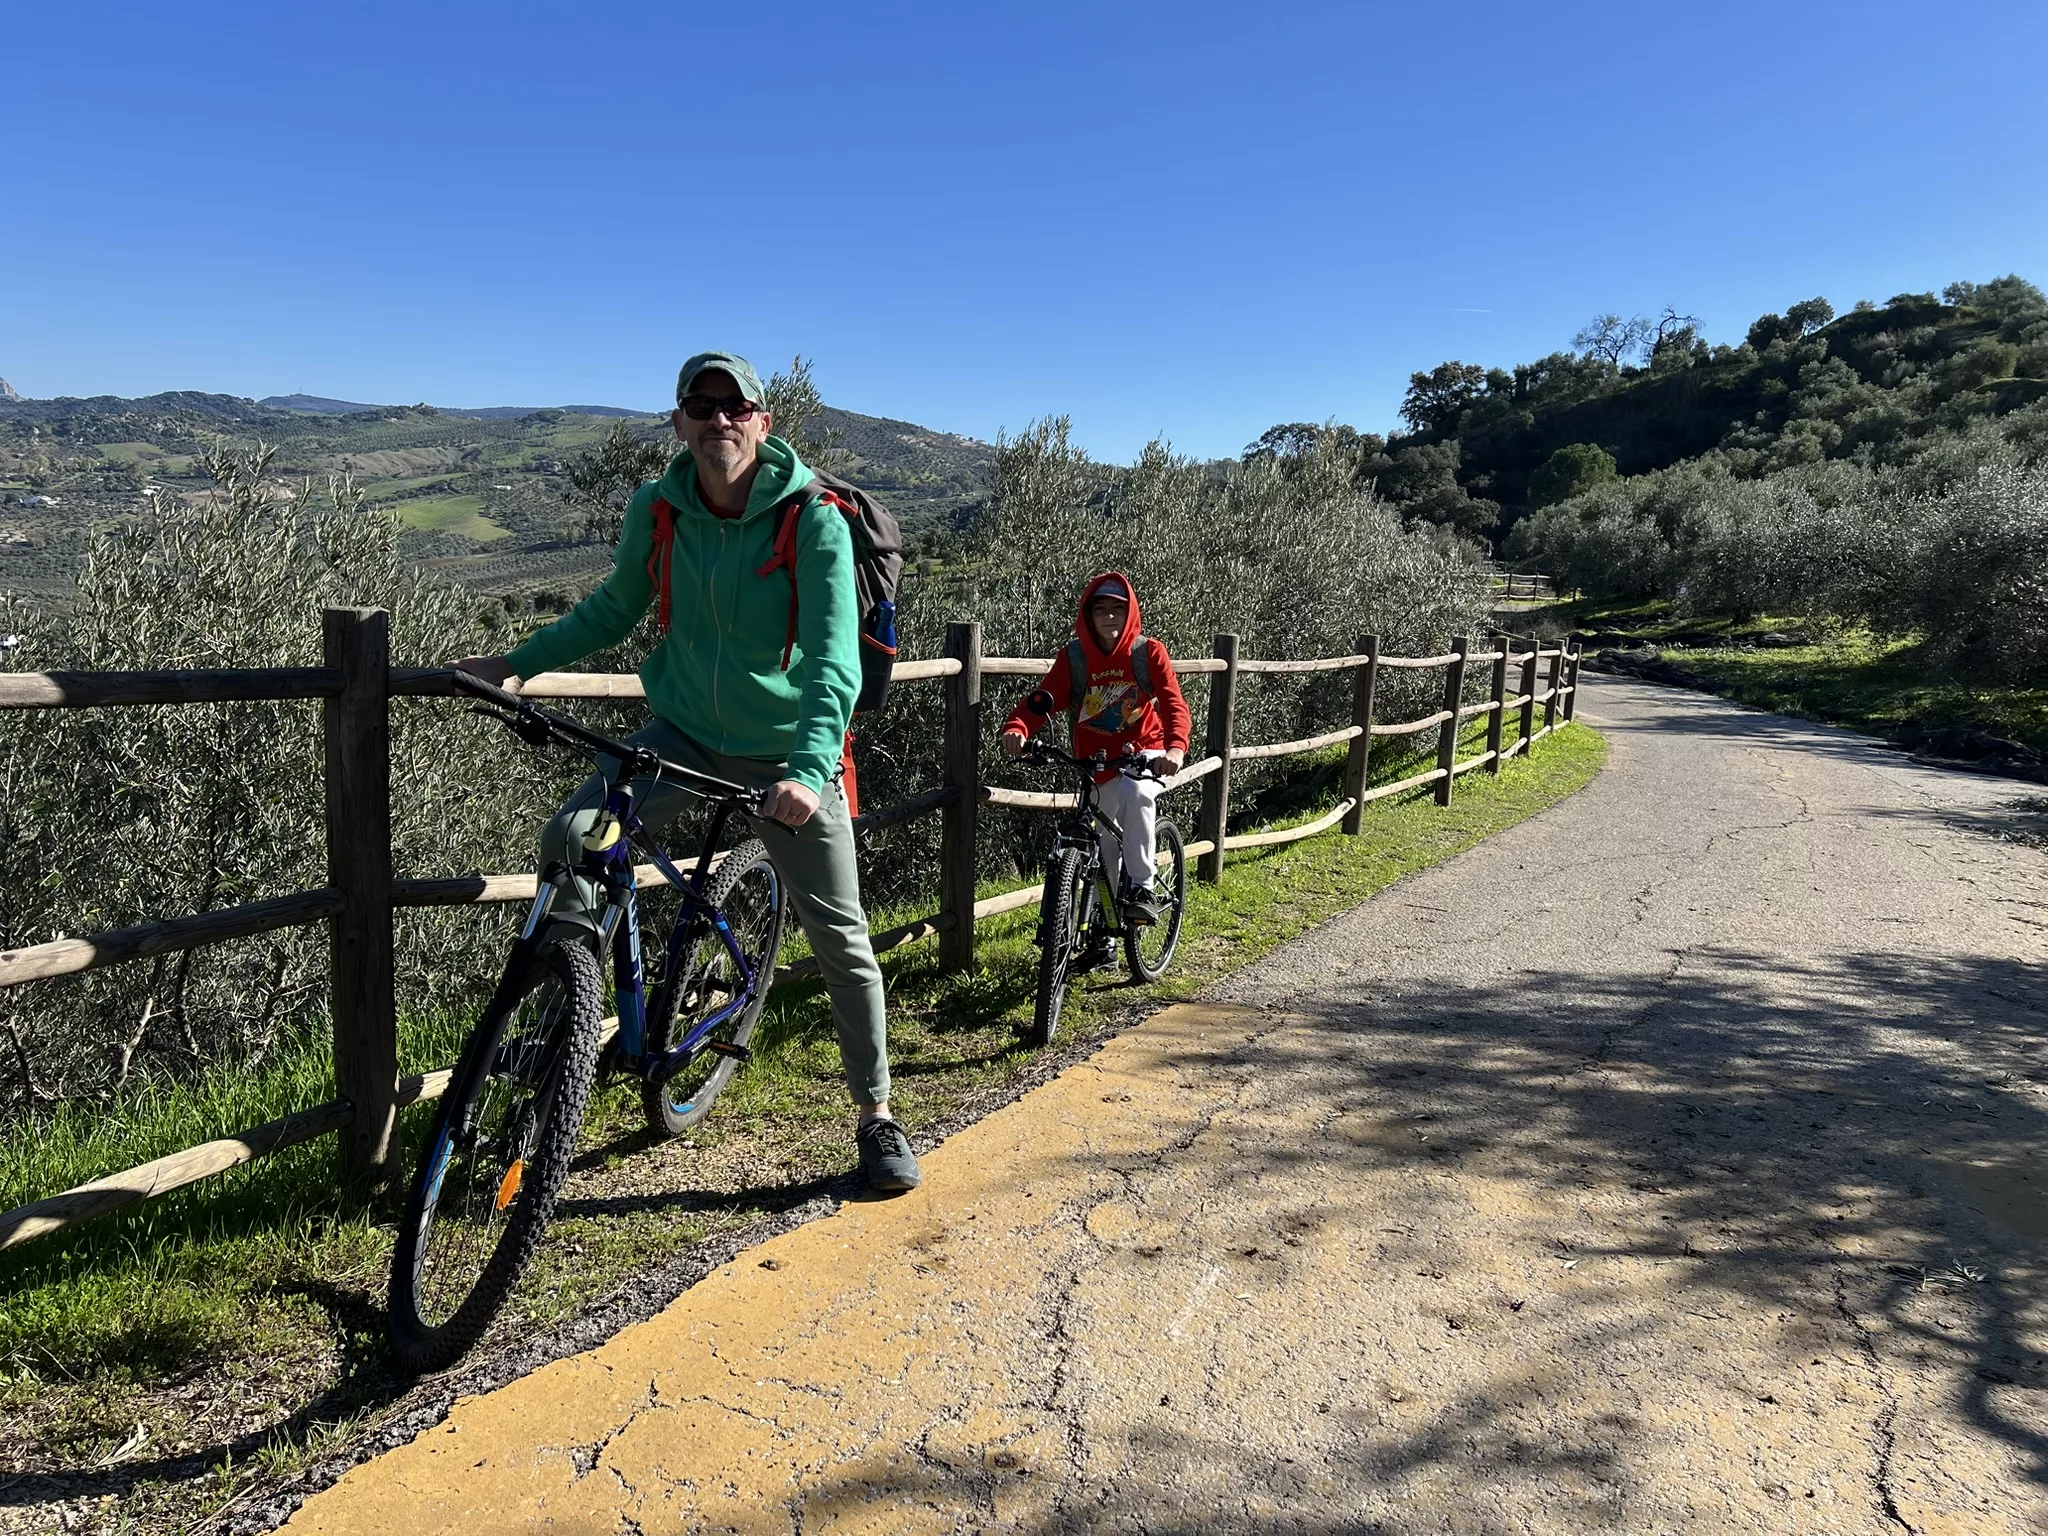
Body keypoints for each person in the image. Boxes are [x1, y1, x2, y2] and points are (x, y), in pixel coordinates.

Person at [452, 350, 920, 1193]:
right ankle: (568, 1022)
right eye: (700, 406)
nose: (717, 420)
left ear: (761, 422)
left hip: (788, 755)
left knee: (841, 935)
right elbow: (612, 608)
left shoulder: (809, 520)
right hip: (683, 735)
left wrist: (810, 773)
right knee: (572, 834)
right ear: (678, 422)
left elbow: (833, 664)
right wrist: (515, 664)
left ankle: (877, 1115)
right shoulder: (659, 509)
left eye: (733, 406)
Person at [997, 573, 1191, 922]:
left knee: (1136, 794)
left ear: (1130, 611)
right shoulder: (1075, 657)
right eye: (1100, 609)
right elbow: (1044, 698)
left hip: (1144, 750)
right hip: (1096, 762)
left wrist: (1175, 749)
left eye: (1117, 609)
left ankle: (1143, 887)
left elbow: (1173, 703)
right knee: (1105, 843)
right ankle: (1107, 933)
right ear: (1088, 615)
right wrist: (1018, 726)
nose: (1108, 617)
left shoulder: (1148, 653)